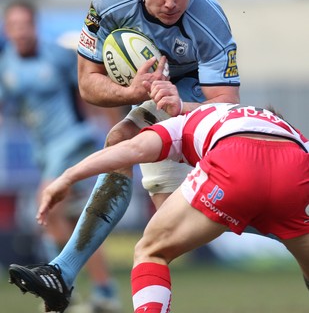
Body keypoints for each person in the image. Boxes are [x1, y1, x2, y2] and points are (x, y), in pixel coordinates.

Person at [8, 0, 241, 311]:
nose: (171, 3)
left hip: (196, 98)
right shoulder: (109, 2)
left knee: (166, 236)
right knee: (163, 225)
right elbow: (88, 83)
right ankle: (65, 275)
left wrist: (180, 104)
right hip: (149, 93)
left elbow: (226, 102)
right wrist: (129, 91)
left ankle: (64, 273)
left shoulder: (209, 19)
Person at [8, 95, 309, 312]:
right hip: (295, 171)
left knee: (151, 251)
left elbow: (132, 150)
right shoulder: (291, 132)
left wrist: (67, 177)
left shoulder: (188, 121)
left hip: (235, 162)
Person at [0, 1, 122, 313]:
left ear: (34, 26)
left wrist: (116, 136)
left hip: (73, 141)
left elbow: (95, 89)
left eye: (24, 25)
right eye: (13, 26)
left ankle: (58, 287)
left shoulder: (58, 56)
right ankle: (105, 292)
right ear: (7, 30)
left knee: (47, 204)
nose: (20, 32)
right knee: (74, 223)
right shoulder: (7, 65)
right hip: (44, 151)